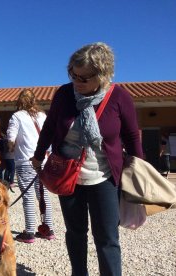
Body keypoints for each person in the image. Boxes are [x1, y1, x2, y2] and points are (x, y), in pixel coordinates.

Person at [31, 42, 143, 276]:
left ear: (103, 75)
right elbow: (51, 126)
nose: (77, 82)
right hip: (68, 176)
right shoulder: (64, 94)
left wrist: (140, 169)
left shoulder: (119, 97)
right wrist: (39, 155)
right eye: (73, 75)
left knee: (107, 238)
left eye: (84, 78)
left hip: (104, 178)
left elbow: (132, 135)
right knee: (75, 232)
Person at [7, 89, 55, 243]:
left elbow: (10, 138)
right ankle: (48, 229)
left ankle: (29, 232)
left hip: (25, 161)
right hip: (43, 161)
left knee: (28, 196)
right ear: (35, 101)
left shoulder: (17, 116)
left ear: (20, 101)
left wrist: (11, 148)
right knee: (44, 195)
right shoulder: (43, 116)